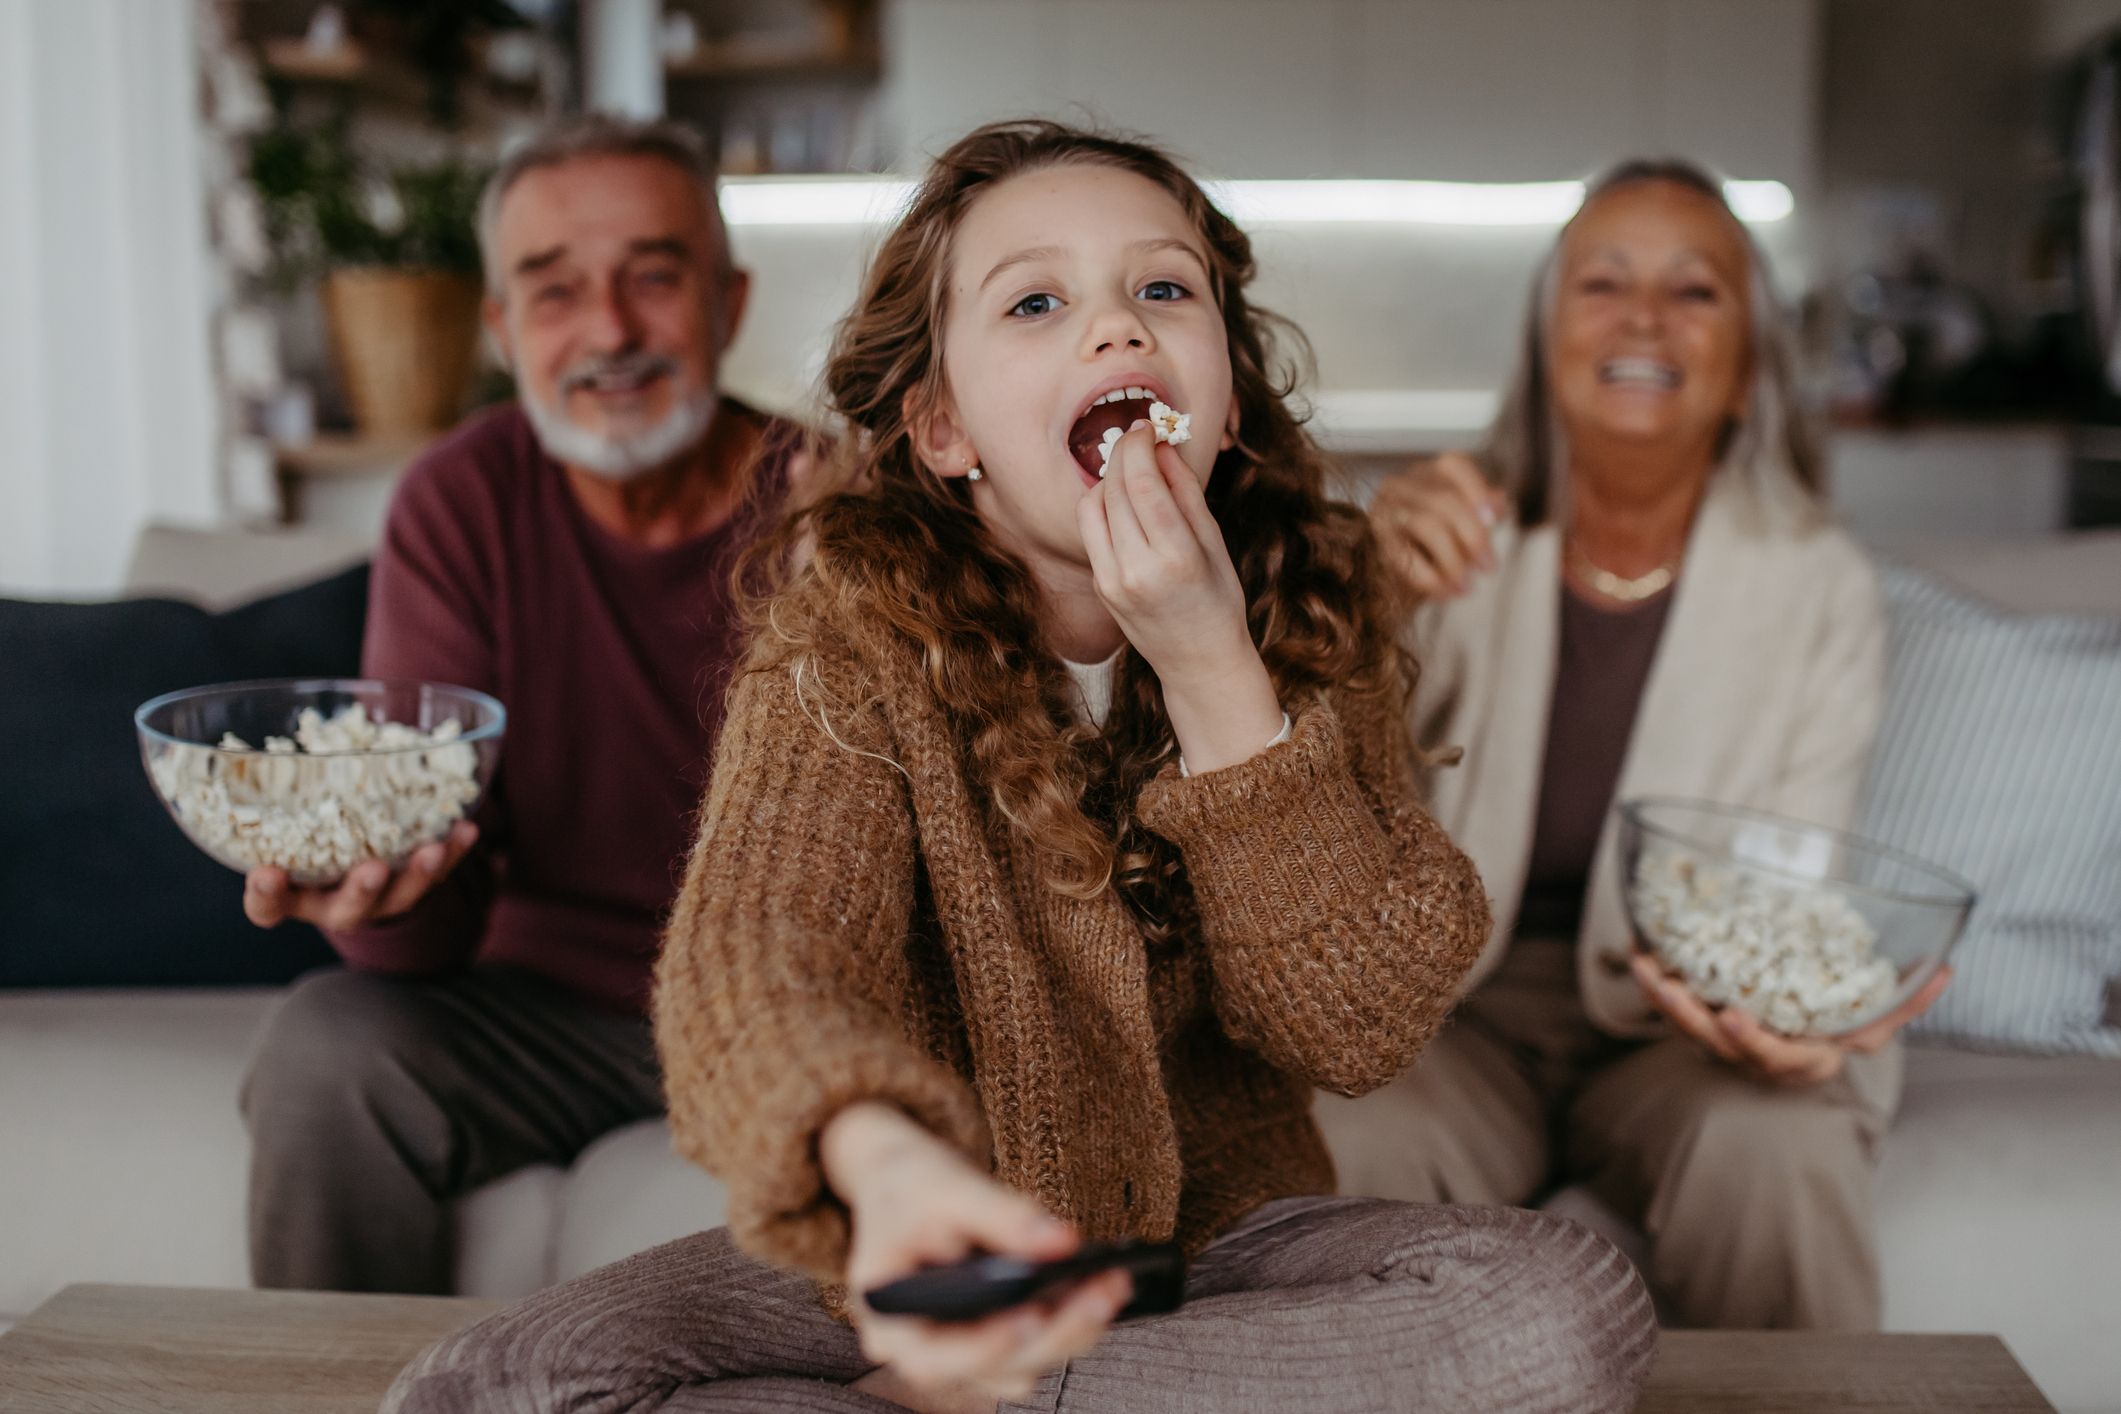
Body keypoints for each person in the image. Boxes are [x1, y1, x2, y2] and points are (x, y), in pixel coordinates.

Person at [380, 120, 1659, 1414]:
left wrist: (1216, 667)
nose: (1116, 328)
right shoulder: (848, 635)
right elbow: (758, 953)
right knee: (495, 1382)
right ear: (943, 426)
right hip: (921, 1254)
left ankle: (999, 1398)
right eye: (1037, 302)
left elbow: (1358, 1022)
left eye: (1164, 289)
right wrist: (883, 1167)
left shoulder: (1312, 612)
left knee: (1565, 1312)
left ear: (1225, 391)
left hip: (1219, 1266)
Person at [1319, 159, 1952, 1331]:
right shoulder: (1451, 538)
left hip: (1685, 1031)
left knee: (1776, 1153)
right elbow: (1331, 804)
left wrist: (1787, 1019)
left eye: (1695, 291)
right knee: (1341, 1141)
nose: (1646, 319)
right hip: (1456, 1019)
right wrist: (1363, 596)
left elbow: (1790, 878)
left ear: (1749, 359)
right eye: (1603, 283)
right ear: (1547, 337)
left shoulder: (1816, 584)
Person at [237, 115, 802, 1294]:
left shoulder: (833, 508)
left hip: (798, 1010)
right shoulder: (460, 502)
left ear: (729, 302)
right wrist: (381, 891)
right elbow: (422, 913)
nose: (608, 331)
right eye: (555, 293)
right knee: (325, 1045)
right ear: (502, 328)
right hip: (543, 1015)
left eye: (654, 277)